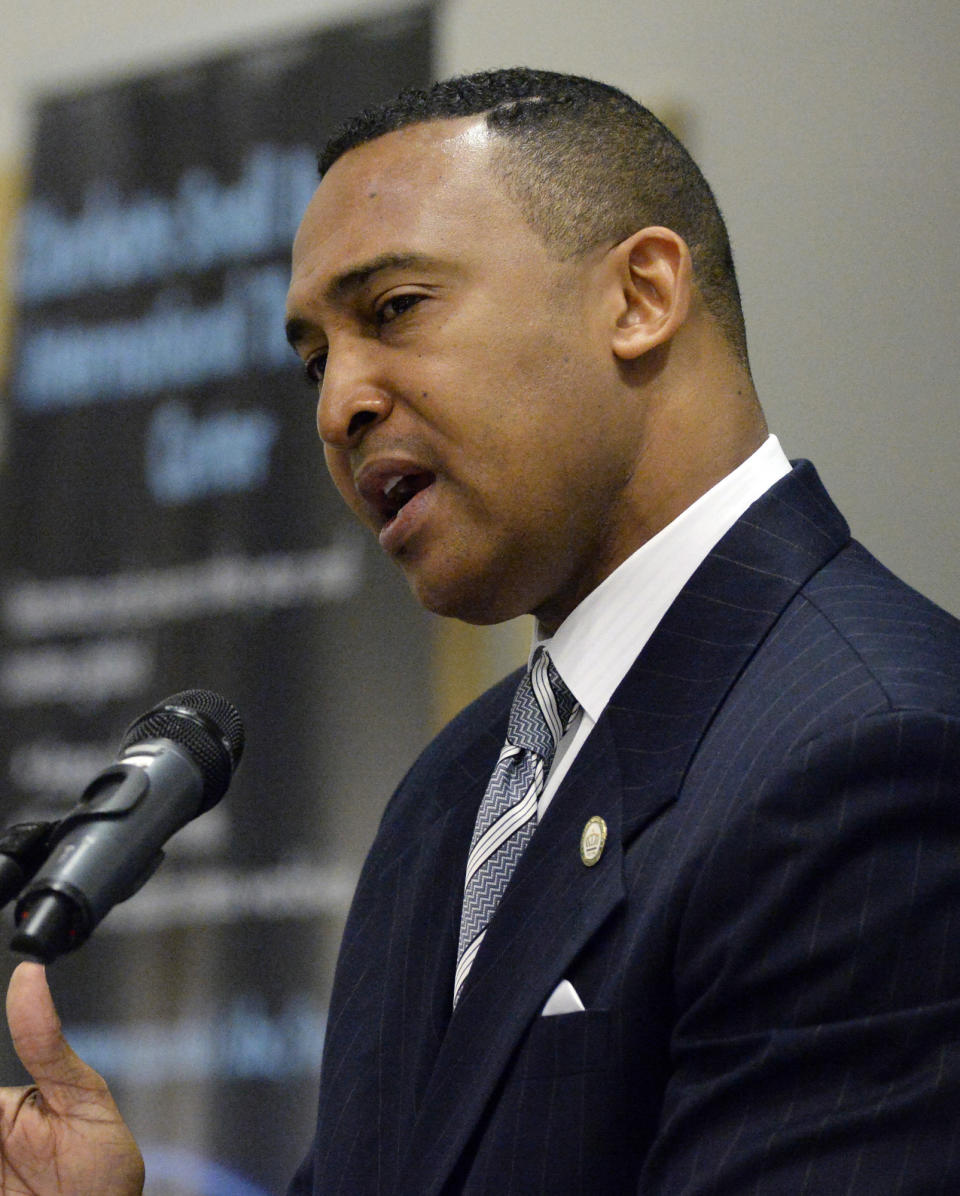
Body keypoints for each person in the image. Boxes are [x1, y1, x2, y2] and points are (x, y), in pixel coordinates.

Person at [2, 67, 959, 1195]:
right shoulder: (452, 792)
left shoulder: (879, 751)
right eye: (314, 359)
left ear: (640, 295)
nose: (336, 403)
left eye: (395, 309)